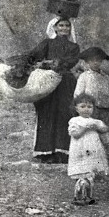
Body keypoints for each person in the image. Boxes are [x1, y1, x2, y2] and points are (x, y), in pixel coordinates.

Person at [26, 17, 80, 163]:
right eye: (61, 25)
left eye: (67, 26)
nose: (64, 28)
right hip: (47, 81)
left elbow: (71, 61)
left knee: (64, 113)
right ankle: (45, 151)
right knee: (47, 111)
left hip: (65, 82)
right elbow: (33, 55)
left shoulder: (73, 47)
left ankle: (61, 151)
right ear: (54, 28)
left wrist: (56, 63)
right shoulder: (47, 43)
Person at [67, 93, 109, 205]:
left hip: (93, 150)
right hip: (80, 151)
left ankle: (89, 196)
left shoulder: (95, 121)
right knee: (82, 174)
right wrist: (85, 128)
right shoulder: (75, 121)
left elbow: (104, 129)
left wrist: (98, 127)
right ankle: (78, 197)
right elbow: (75, 134)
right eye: (83, 106)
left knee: (90, 174)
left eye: (89, 107)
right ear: (76, 108)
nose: (86, 109)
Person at [74, 47, 109, 138]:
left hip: (105, 111)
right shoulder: (84, 76)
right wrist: (82, 108)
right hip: (90, 110)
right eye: (92, 60)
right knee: (91, 135)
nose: (95, 62)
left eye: (98, 60)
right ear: (87, 62)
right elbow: (78, 94)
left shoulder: (106, 78)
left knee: (105, 134)